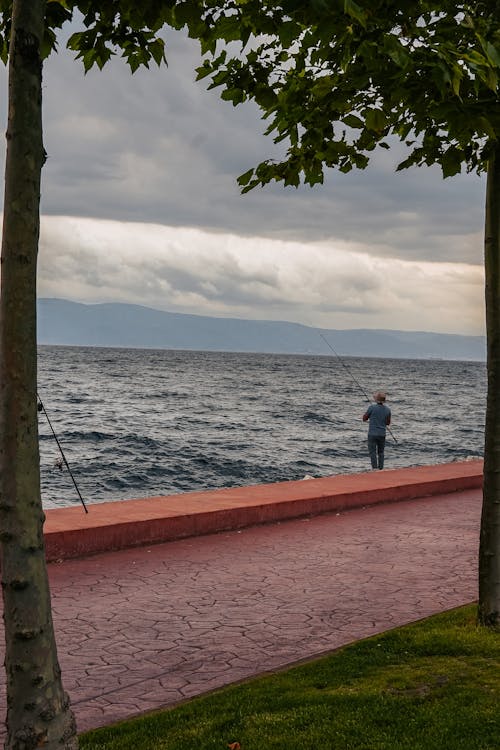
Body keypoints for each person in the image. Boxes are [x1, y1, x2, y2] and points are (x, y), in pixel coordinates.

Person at [362, 391, 391, 470]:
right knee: (381, 453)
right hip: (382, 434)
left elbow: (364, 419)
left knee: (372, 452)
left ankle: (375, 469)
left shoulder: (372, 407)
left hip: (372, 434)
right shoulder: (388, 410)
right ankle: (381, 468)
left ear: (376, 399)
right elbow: (388, 423)